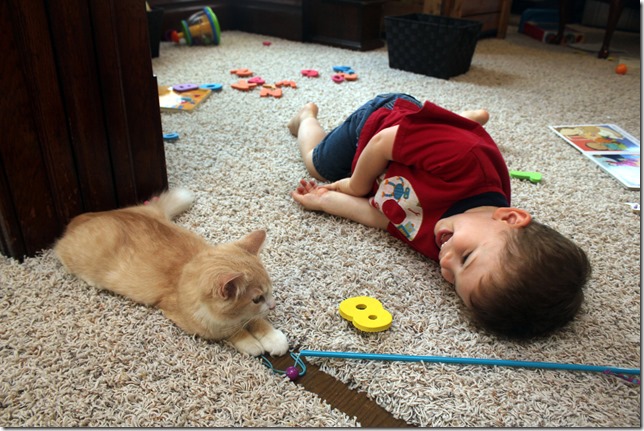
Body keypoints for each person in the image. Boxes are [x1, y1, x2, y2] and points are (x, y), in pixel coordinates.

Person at [288, 93, 591, 339]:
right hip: (381, 125)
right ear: (509, 218)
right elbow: (383, 143)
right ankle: (306, 117)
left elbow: (385, 218)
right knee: (319, 165)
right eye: (466, 258)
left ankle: (459, 122)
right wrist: (355, 185)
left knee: (432, 147)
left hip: (420, 155)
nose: (445, 263)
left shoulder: (450, 240)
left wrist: (325, 201)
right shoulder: (465, 161)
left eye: (453, 280)